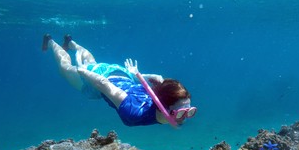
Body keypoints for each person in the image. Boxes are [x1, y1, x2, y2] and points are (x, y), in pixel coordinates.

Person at [42, 34, 196, 127]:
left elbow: (160, 80)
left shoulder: (159, 96)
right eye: (181, 113)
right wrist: (83, 71)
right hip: (98, 81)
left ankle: (71, 43)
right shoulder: (134, 111)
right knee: (65, 67)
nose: (185, 118)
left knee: (91, 61)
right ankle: (50, 41)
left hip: (124, 74)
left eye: (189, 111)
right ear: (162, 107)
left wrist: (137, 74)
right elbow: (104, 84)